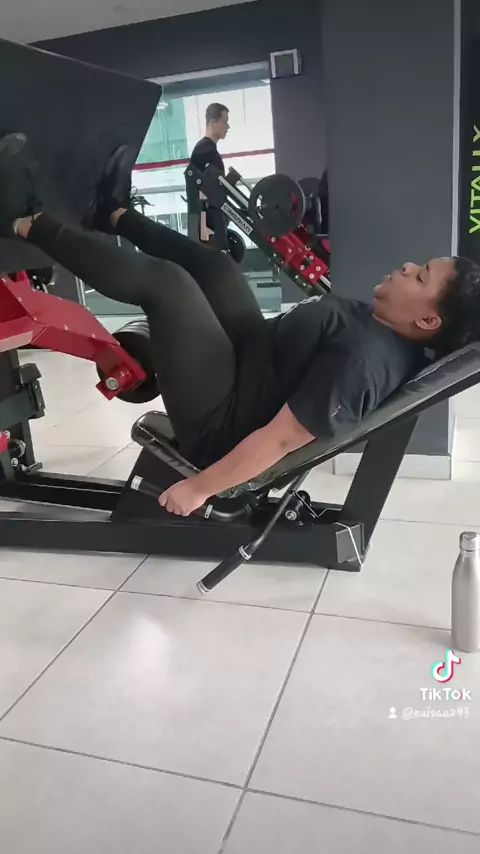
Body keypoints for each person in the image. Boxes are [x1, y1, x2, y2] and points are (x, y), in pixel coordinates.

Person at [2, 132, 480, 519]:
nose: (407, 267)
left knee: (169, 286)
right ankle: (114, 213)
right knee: (217, 267)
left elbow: (282, 439)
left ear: (428, 318)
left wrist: (200, 488)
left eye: (421, 276)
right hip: (251, 359)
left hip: (221, 419)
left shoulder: (366, 364)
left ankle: (24, 220)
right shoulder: (383, 330)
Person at [189, 103, 229, 245]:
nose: (228, 126)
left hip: (215, 214)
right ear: (212, 123)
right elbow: (198, 190)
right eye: (224, 122)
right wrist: (203, 229)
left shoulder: (208, 149)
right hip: (210, 219)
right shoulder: (203, 150)